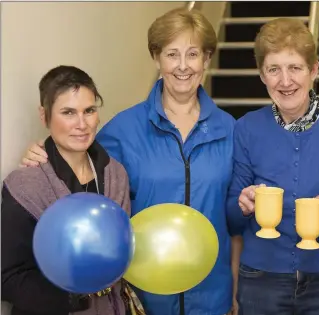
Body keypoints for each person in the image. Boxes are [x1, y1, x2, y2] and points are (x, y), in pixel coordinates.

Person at [18, 8, 237, 315]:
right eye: (172, 54)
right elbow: (78, 162)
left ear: (207, 59)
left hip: (212, 295)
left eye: (193, 54)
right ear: (156, 59)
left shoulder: (232, 131)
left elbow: (236, 222)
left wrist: (236, 291)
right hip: (143, 299)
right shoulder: (121, 131)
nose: (183, 66)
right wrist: (43, 152)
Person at [226, 18, 319, 315]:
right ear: (262, 75)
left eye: (295, 68)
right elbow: (230, 216)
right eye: (273, 69)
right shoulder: (246, 128)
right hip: (261, 280)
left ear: (313, 69)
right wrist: (242, 204)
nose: (285, 80)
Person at [1, 65, 135, 315]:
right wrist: (75, 296)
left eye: (89, 110)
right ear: (44, 116)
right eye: (68, 112)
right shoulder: (24, 185)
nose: (82, 124)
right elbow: (8, 277)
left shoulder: (116, 173)